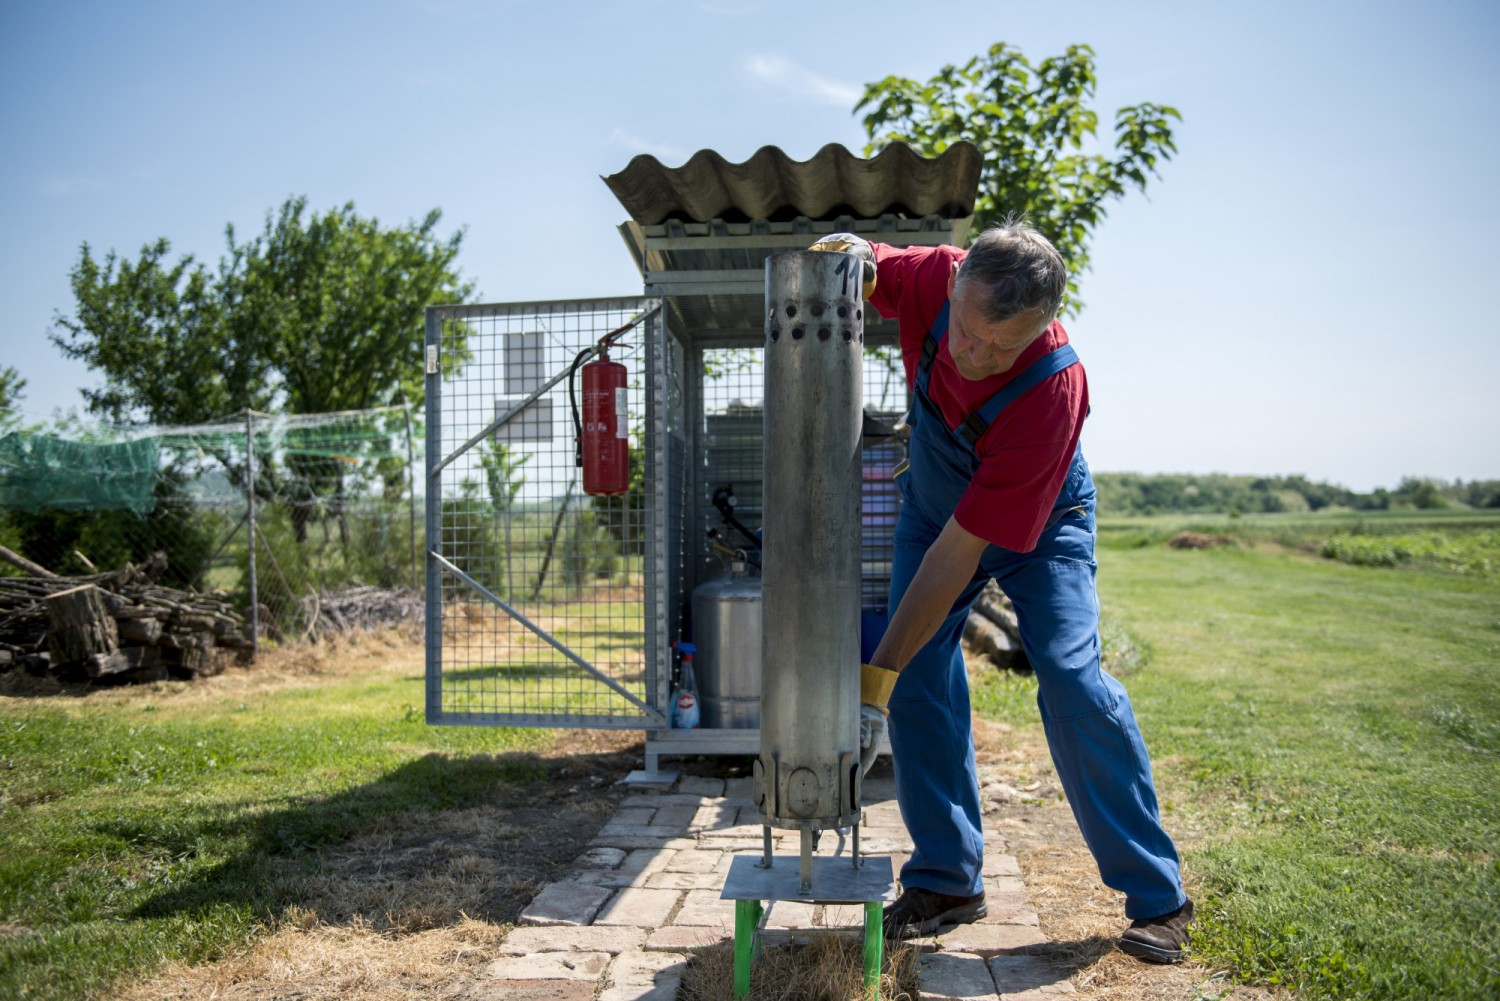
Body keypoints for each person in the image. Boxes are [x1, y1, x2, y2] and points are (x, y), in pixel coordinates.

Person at [810, 222, 1194, 963]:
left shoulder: (1053, 386)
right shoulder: (931, 276)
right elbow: (864, 267)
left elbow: (960, 555)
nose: (974, 356)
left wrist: (869, 685)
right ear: (954, 288)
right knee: (920, 673)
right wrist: (846, 254)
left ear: (1043, 327)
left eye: (1001, 347)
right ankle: (948, 879)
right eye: (967, 331)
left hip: (1043, 521)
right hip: (933, 501)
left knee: (1071, 675)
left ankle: (1159, 894)